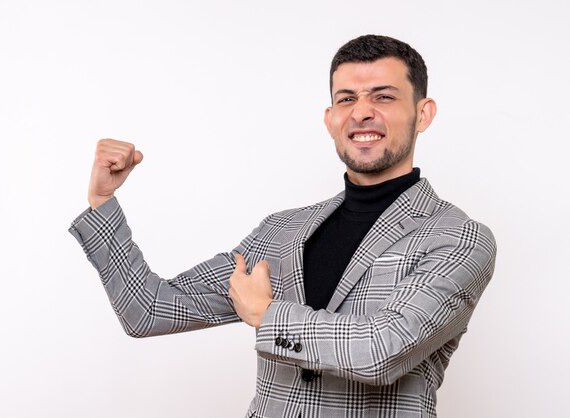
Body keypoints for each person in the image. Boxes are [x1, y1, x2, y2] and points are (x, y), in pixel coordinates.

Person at [69, 34, 496, 418]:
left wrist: (266, 314)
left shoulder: (458, 237)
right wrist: (103, 202)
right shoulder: (281, 231)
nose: (361, 113)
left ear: (423, 113)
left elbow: (381, 350)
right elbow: (150, 311)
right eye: (347, 99)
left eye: (383, 97)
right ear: (330, 118)